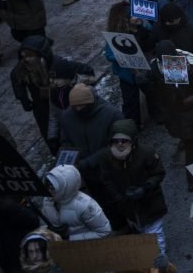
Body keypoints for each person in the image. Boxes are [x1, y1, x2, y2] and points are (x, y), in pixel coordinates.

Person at [91, 119, 167, 250]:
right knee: (141, 232)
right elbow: (106, 179)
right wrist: (119, 197)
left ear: (133, 141)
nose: (120, 144)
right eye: (116, 141)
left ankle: (160, 262)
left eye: (124, 140)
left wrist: (144, 188)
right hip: (128, 207)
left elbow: (158, 173)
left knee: (156, 236)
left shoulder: (147, 153)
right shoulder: (106, 157)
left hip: (150, 203)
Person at [58, 82, 123, 174]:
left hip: (111, 168)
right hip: (85, 171)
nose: (78, 109)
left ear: (90, 103)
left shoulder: (112, 115)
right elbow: (66, 141)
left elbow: (117, 145)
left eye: (81, 105)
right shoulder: (67, 117)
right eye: (75, 106)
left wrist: (88, 162)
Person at [39, 164, 112, 240]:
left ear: (65, 187)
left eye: (53, 187)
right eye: (48, 186)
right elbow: (44, 222)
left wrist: (70, 238)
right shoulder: (47, 201)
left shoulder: (86, 205)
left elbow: (104, 232)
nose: (49, 191)